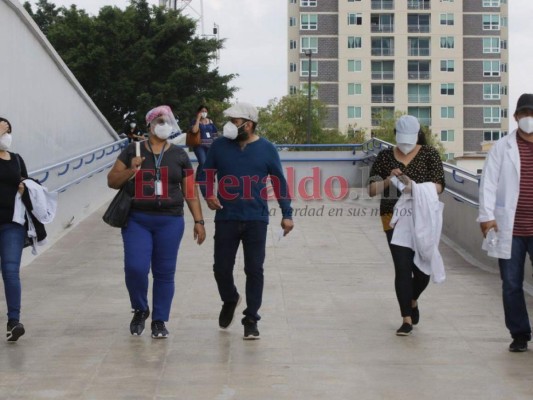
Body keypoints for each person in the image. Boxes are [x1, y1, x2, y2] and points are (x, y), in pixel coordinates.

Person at [107, 105, 206, 339]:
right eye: (160, 121)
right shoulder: (133, 149)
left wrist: (199, 220)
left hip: (170, 220)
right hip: (137, 219)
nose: (165, 125)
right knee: (135, 268)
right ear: (149, 124)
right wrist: (132, 170)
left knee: (164, 273)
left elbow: (190, 191)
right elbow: (112, 180)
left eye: (168, 121)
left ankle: (160, 320)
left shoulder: (180, 155)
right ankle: (140, 308)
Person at [199, 102, 294, 340]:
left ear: (248, 125)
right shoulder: (219, 146)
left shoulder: (267, 149)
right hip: (226, 217)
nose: (229, 125)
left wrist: (287, 213)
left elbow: (279, 182)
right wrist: (208, 194)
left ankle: (251, 319)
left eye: (234, 121)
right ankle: (230, 298)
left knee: (254, 269)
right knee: (220, 268)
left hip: (256, 219)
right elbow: (206, 174)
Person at [368, 115, 445, 336]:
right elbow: (371, 190)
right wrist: (389, 181)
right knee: (402, 267)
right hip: (393, 218)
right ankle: (406, 319)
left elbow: (440, 186)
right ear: (396, 136)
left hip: (422, 216)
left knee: (422, 269)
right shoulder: (384, 157)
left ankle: (412, 299)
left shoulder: (429, 154)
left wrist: (415, 187)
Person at [478, 93, 533, 352]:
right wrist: (486, 216)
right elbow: (488, 183)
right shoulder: (502, 147)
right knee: (511, 284)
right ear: (515, 117)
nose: (528, 119)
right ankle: (519, 333)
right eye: (524, 114)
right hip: (510, 228)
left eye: (532, 114)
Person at [0, 117, 27, 342]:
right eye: (0, 130)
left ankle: (13, 321)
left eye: (7, 129)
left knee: (10, 271)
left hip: (12, 223)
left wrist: (25, 188)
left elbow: (27, 182)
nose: (5, 134)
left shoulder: (17, 159)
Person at [190, 105, 218, 181]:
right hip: (199, 145)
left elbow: (214, 133)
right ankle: (199, 178)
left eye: (205, 111)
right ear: (198, 112)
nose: (204, 113)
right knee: (203, 162)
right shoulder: (195, 121)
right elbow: (194, 131)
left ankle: (209, 176)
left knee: (212, 163)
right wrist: (198, 119)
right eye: (202, 111)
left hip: (210, 146)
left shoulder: (210, 121)